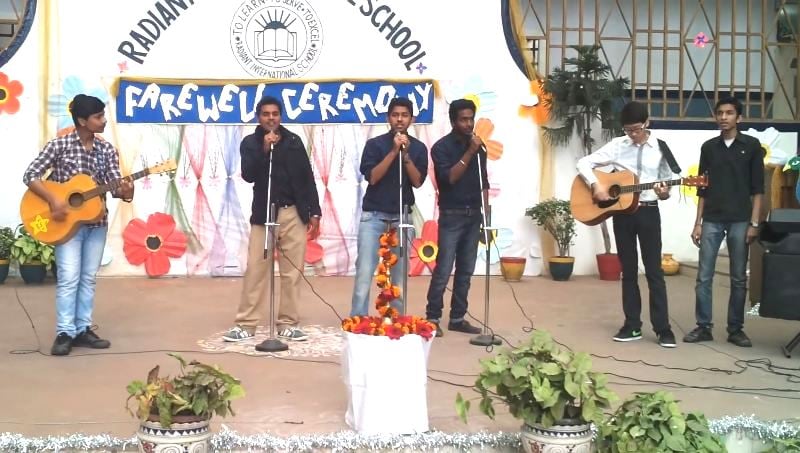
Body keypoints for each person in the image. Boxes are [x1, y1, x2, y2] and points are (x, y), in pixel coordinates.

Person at [23, 94, 134, 356]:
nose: (104, 120)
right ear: (82, 121)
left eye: (103, 115)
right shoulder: (59, 145)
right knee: (69, 278)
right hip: (65, 225)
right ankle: (64, 332)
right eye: (98, 116)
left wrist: (126, 191)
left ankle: (83, 329)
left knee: (87, 278)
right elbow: (30, 175)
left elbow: (114, 186)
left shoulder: (107, 150)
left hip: (97, 223)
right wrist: (54, 199)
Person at [576, 101, 677, 348]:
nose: (633, 134)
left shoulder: (661, 148)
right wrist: (596, 185)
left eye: (637, 129)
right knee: (628, 271)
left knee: (654, 271)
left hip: (649, 212)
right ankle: (632, 325)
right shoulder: (618, 145)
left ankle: (663, 329)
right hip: (622, 214)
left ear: (647, 123)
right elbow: (584, 163)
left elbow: (667, 184)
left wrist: (664, 192)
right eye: (628, 130)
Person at [223, 96, 321, 343]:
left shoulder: (294, 141)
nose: (271, 118)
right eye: (266, 114)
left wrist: (315, 211)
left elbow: (307, 178)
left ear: (280, 116)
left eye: (275, 114)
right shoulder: (250, 142)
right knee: (256, 270)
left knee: (292, 273)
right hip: (264, 214)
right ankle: (246, 324)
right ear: (259, 117)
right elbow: (248, 174)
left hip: (293, 213)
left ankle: (288, 323)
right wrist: (265, 149)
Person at [683, 96, 764, 348]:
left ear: (739, 117)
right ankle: (703, 326)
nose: (723, 117)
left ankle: (736, 329)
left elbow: (758, 190)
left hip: (741, 219)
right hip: (712, 219)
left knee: (738, 278)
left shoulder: (751, 146)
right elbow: (702, 188)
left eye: (729, 113)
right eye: (719, 113)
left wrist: (754, 224)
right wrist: (698, 223)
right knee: (703, 276)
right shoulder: (709, 148)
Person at [350, 97, 428, 317]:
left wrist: (405, 155)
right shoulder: (375, 145)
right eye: (395, 115)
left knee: (399, 275)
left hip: (402, 216)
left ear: (412, 119)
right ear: (388, 118)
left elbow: (417, 181)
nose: (399, 120)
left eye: (404, 115)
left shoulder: (418, 148)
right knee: (365, 271)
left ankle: (396, 321)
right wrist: (394, 151)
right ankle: (358, 319)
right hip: (373, 216)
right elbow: (373, 177)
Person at [424, 99, 488, 337]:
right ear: (453, 121)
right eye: (463, 119)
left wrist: (486, 218)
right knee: (443, 269)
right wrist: (470, 151)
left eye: (471, 119)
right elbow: (450, 178)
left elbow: (484, 183)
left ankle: (457, 318)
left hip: (474, 215)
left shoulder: (481, 148)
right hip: (452, 216)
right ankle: (432, 317)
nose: (469, 124)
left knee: (466, 270)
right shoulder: (441, 148)